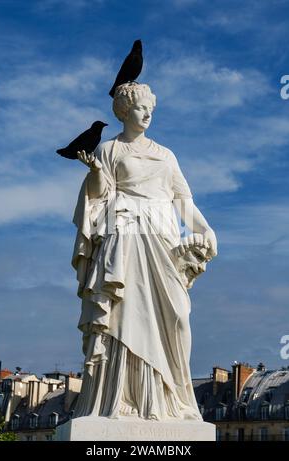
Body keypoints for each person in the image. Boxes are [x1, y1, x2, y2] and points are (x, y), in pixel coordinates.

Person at [72, 82, 217, 420]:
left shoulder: (166, 155)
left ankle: (171, 397)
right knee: (123, 314)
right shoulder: (109, 150)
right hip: (123, 234)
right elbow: (98, 196)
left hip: (162, 238)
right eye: (141, 108)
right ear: (124, 111)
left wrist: (204, 229)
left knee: (177, 317)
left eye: (151, 108)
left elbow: (183, 200)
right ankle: (121, 399)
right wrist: (95, 172)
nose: (148, 113)